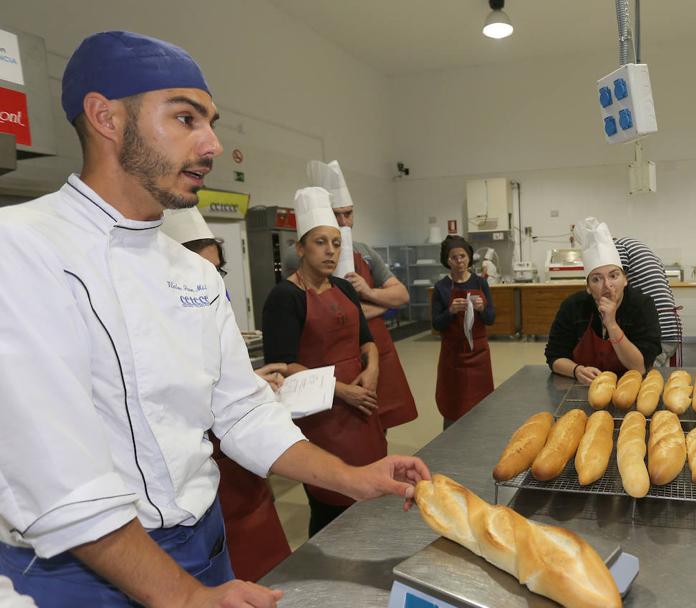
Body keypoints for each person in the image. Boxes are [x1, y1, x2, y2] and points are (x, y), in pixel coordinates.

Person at [0, 31, 429, 607]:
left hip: (203, 544)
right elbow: (58, 477)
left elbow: (243, 411)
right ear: (105, 117)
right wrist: (182, 598)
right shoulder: (22, 250)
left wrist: (354, 477)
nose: (212, 144)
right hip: (78, 571)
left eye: (211, 121)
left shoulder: (194, 274)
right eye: (185, 118)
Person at [162, 207, 292, 582]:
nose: (208, 281)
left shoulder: (213, 308)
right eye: (197, 270)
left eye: (216, 271)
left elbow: (219, 377)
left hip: (241, 471)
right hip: (192, 495)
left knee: (269, 571)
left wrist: (248, 380)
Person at [262, 187, 390, 536]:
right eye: (320, 242)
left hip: (362, 406)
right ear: (300, 247)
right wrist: (343, 391)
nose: (330, 250)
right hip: (321, 414)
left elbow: (367, 338)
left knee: (373, 487)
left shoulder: (344, 288)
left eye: (336, 243)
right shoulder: (284, 297)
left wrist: (373, 369)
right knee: (331, 500)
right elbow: (283, 365)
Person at [307, 160, 418, 430]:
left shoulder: (365, 252)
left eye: (349, 214)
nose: (345, 222)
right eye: (338, 215)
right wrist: (378, 306)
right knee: (339, 426)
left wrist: (368, 292)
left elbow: (402, 295)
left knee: (380, 421)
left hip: (375, 348)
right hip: (333, 356)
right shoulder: (305, 258)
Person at [545, 217, 661, 383]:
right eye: (597, 279)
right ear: (588, 287)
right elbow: (554, 356)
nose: (607, 286)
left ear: (625, 280)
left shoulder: (641, 306)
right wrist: (576, 370)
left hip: (630, 387)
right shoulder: (573, 306)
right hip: (583, 389)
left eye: (614, 276)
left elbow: (640, 367)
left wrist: (611, 324)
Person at [431, 235, 496, 429]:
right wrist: (450, 311)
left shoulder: (480, 283)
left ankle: (480, 438)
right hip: (453, 354)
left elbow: (491, 318)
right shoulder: (441, 287)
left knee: (481, 402)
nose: (459, 261)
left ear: (469, 257)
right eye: (454, 257)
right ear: (446, 260)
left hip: (478, 353)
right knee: (454, 403)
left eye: (462, 256)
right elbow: (436, 324)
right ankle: (452, 442)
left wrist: (482, 308)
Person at [612, 236, 680, 365]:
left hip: (657, 328)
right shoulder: (634, 245)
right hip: (669, 326)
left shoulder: (617, 247)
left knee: (642, 377)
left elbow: (617, 280)